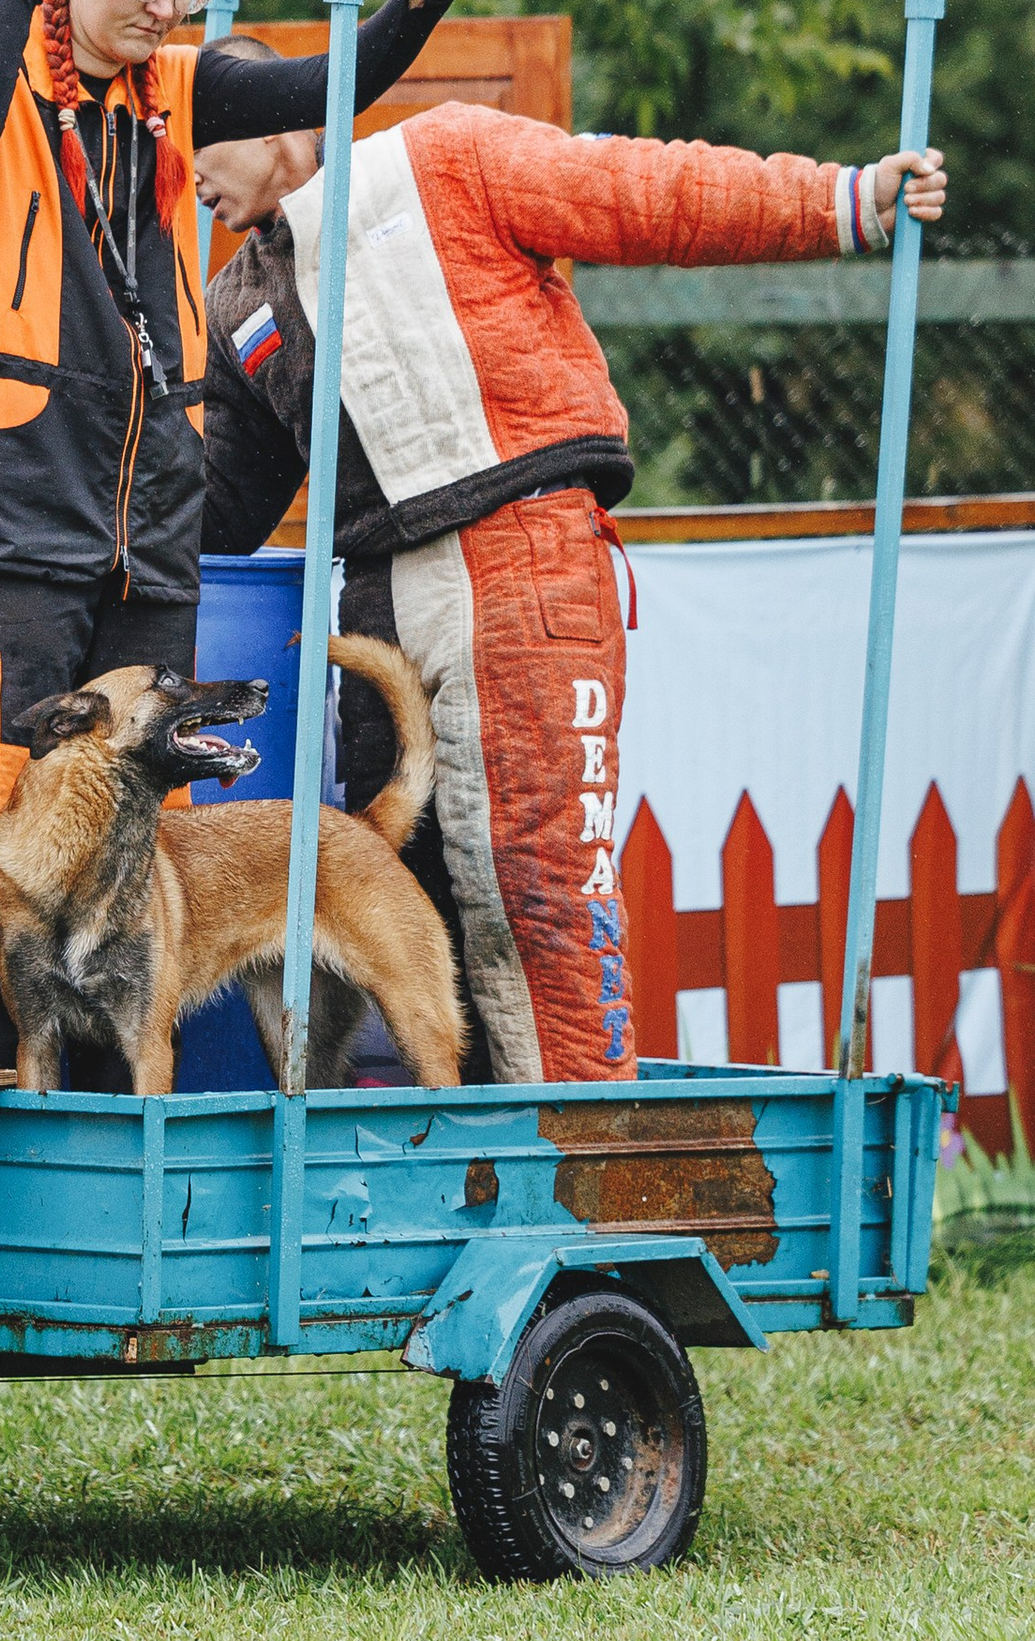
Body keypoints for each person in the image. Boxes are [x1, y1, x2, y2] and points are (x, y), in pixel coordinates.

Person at [0, 0, 500, 1064]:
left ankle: (125, 1168)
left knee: (136, 860)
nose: (167, 9)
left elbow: (339, 80)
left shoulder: (177, 86)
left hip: (143, 544)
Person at [197, 106, 950, 1084]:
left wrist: (846, 200)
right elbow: (218, 512)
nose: (188, 173)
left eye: (196, 141)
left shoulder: (449, 155)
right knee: (405, 897)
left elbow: (646, 190)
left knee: (533, 891)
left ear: (276, 125)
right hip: (377, 597)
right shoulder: (235, 299)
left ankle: (577, 1185)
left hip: (523, 549)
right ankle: (447, 1192)